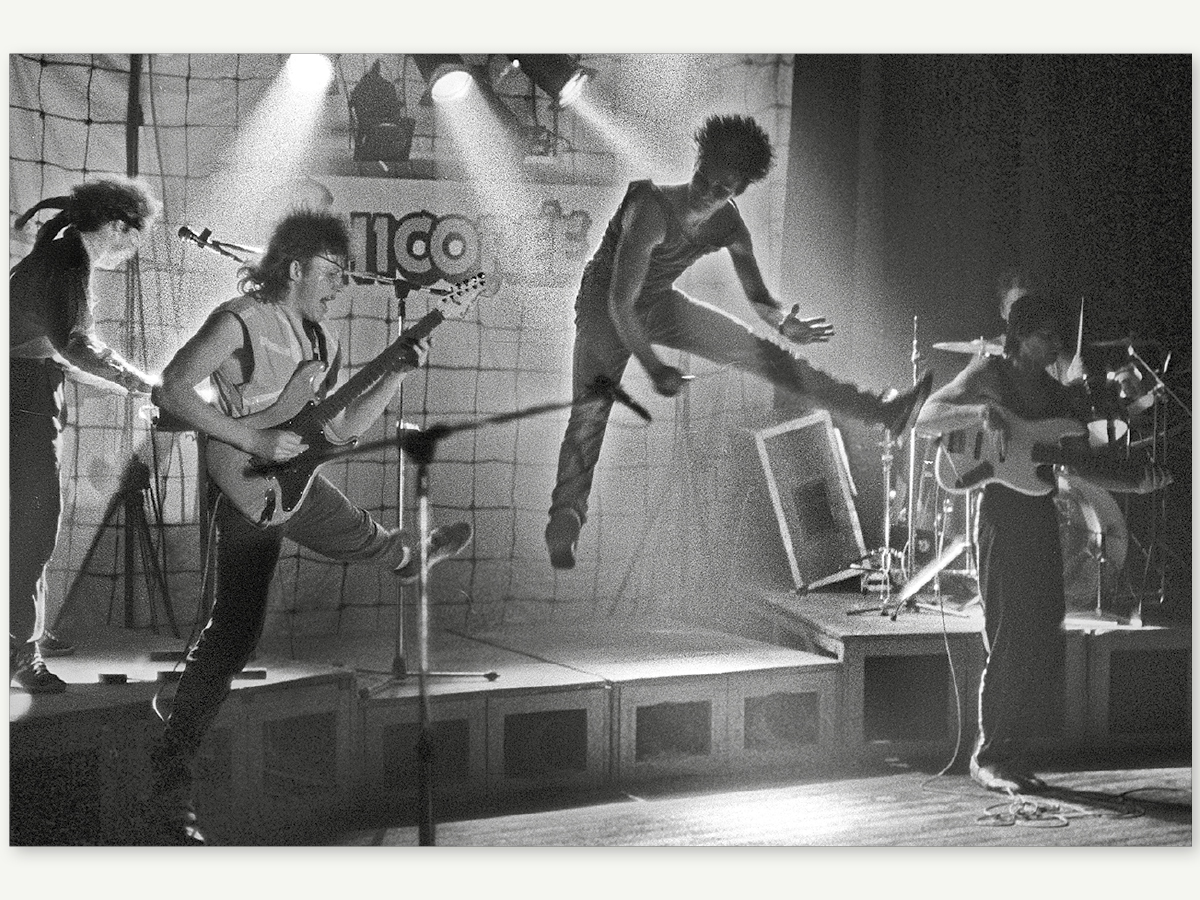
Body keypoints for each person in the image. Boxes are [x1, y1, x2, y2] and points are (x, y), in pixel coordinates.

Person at [148, 208, 472, 844]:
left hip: (294, 483)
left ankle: (411, 559)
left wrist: (396, 372)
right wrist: (255, 440)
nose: (340, 286)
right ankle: (171, 776)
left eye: (345, 275)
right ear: (295, 267)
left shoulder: (324, 343)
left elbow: (338, 429)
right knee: (235, 634)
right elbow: (171, 390)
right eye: (332, 272)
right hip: (244, 486)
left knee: (364, 535)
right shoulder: (238, 320)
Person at [546, 113, 933, 569]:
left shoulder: (729, 226)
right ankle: (565, 520)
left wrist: (782, 323)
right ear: (697, 164)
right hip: (604, 304)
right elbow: (619, 305)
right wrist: (655, 368)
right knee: (590, 412)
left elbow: (760, 298)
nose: (705, 193)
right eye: (702, 178)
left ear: (736, 192)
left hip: (656, 300)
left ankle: (882, 410)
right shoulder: (651, 209)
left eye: (721, 190)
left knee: (762, 354)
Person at [915, 292, 1171, 793]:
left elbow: (1081, 463)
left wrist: (1137, 481)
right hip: (1000, 514)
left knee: (1043, 630)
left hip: (1038, 514)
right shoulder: (989, 373)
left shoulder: (1057, 398)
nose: (1057, 344)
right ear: (1022, 336)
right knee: (1008, 633)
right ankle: (988, 757)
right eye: (1048, 335)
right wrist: (978, 414)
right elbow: (926, 417)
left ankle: (1012, 751)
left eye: (1059, 335)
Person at [10, 175, 162, 692]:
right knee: (34, 524)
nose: (134, 251)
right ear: (119, 225)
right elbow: (75, 345)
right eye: (136, 237)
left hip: (27, 392)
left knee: (27, 520)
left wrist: (133, 387)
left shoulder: (58, 257)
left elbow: (58, 351)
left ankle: (21, 632)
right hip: (21, 399)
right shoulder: (67, 263)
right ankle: (19, 650)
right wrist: (142, 383)